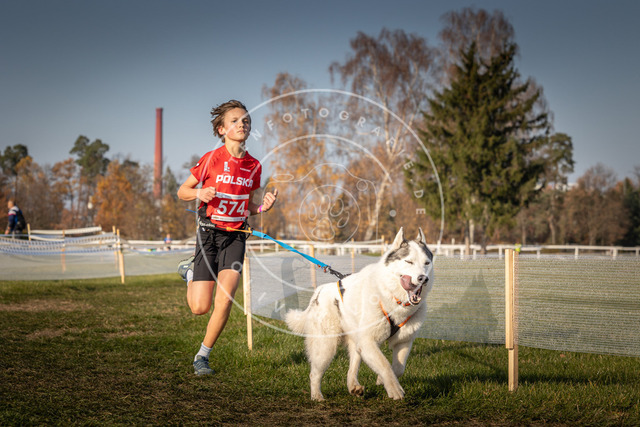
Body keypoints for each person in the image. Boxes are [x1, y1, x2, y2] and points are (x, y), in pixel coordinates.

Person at [176, 100, 278, 376]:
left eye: (245, 120)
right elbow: (182, 191)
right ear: (221, 129)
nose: (242, 124)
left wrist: (262, 208)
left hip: (235, 237)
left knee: (225, 299)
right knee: (200, 307)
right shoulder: (211, 159)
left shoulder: (254, 166)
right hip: (208, 234)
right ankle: (190, 273)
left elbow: (247, 206)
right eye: (235, 120)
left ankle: (202, 357)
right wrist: (199, 193)